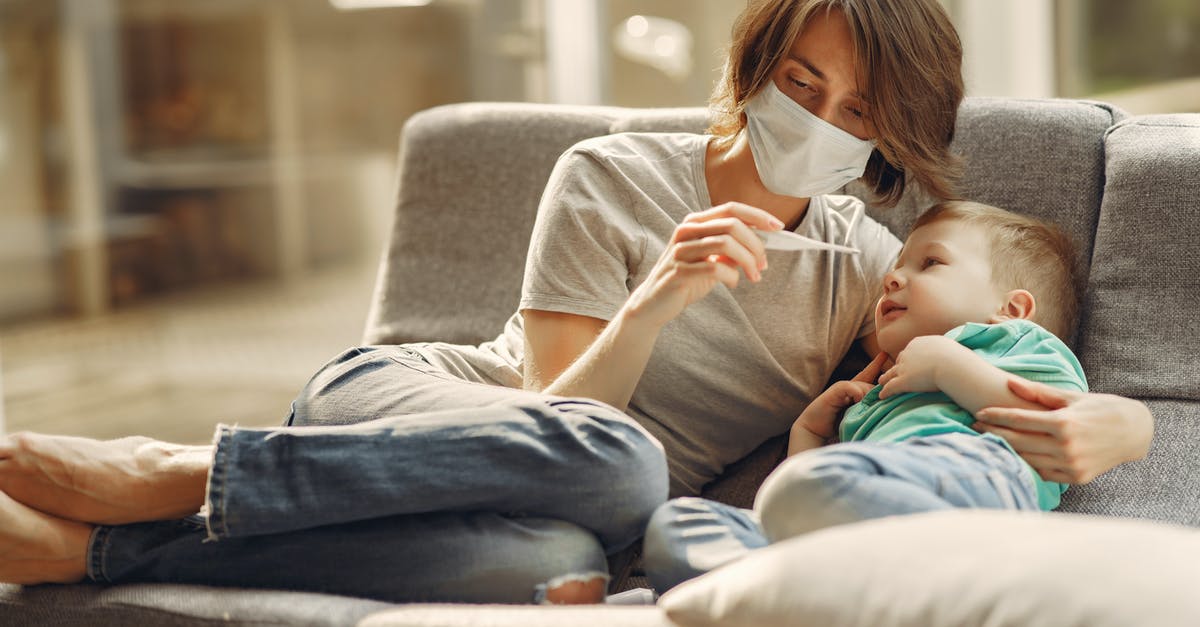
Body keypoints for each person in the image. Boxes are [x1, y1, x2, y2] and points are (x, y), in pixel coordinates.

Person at [0, 0, 1152, 605]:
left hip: (574, 498)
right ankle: (188, 469)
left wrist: (1124, 422)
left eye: (860, 114)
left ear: (889, 138)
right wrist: (655, 299)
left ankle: (108, 557)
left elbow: (998, 367)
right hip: (409, 407)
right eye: (803, 84)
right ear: (753, 70)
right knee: (614, 464)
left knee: (560, 567)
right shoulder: (612, 173)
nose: (825, 121)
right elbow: (547, 412)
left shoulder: (869, 269)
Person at [643, 201, 1098, 592]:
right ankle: (802, 592)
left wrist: (945, 364)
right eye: (897, 264)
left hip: (976, 482)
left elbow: (1054, 424)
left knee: (805, 491)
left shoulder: (1018, 343)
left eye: (930, 263)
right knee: (677, 526)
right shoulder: (879, 393)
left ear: (1011, 309)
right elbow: (809, 499)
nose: (892, 277)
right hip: (858, 522)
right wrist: (809, 431)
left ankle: (809, 585)